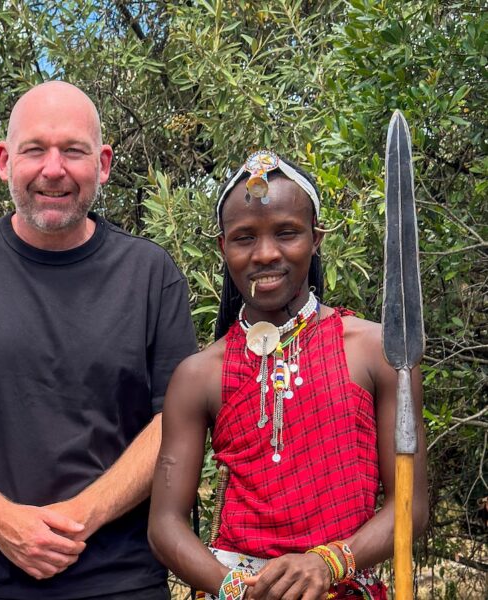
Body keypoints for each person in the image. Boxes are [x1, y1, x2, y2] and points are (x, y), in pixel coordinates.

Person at [0, 81, 198, 599]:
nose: (53, 169)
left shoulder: (150, 275)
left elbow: (173, 424)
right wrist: (3, 521)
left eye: (73, 151)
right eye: (35, 150)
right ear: (4, 161)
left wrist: (79, 518)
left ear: (103, 163)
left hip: (120, 581)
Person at [148, 150, 429, 600]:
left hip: (345, 586)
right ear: (223, 247)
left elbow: (410, 506)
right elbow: (164, 525)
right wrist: (238, 587)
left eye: (287, 233)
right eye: (244, 238)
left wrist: (330, 561)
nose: (265, 254)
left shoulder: (379, 352)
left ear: (316, 238)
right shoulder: (198, 375)